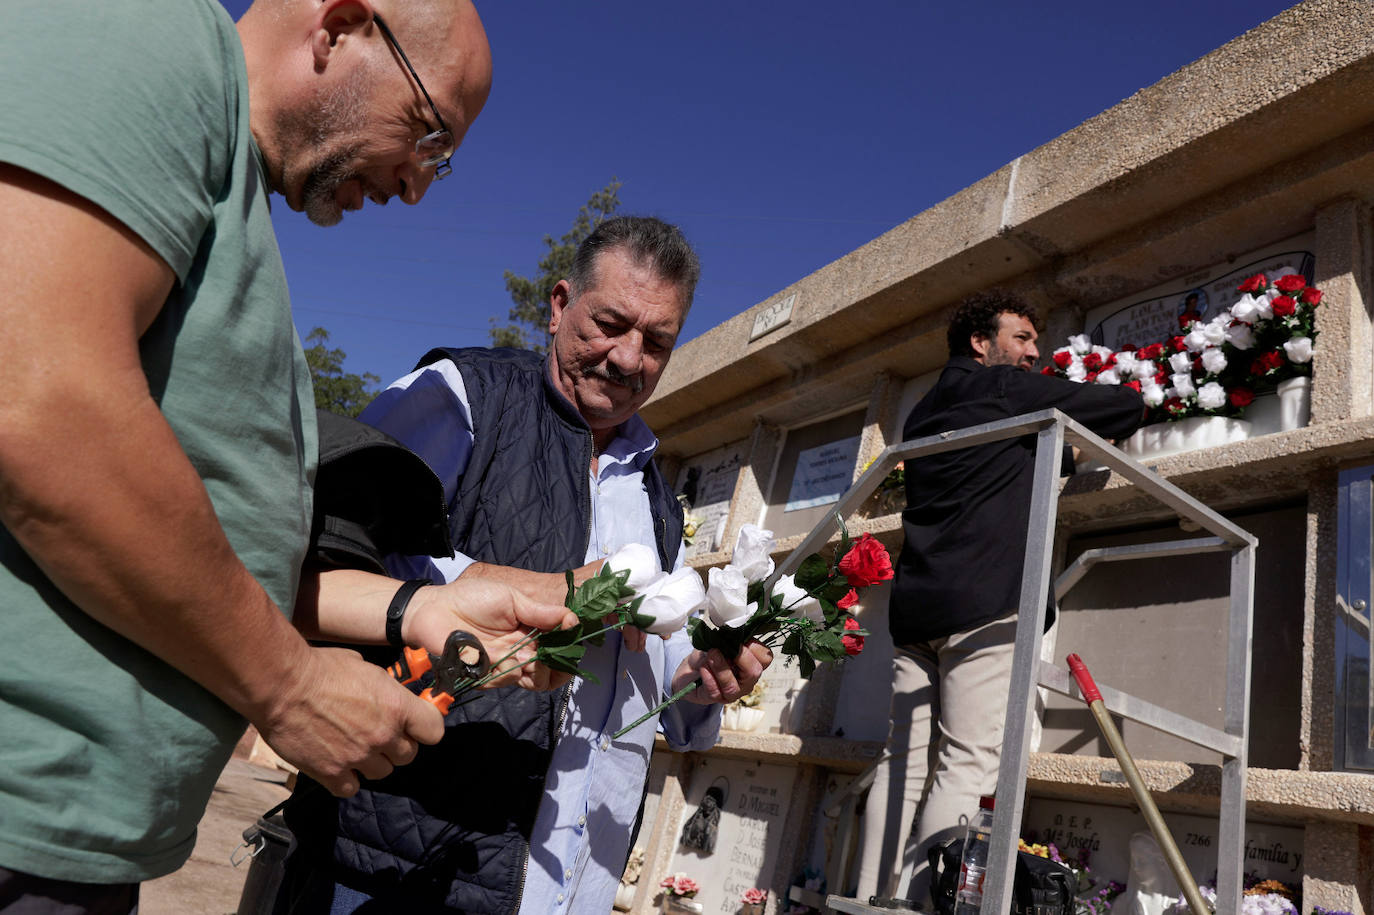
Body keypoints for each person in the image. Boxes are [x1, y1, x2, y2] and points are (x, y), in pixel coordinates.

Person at [0, 2, 570, 910]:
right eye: (429, 135)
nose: (418, 186)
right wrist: (287, 683)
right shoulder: (149, 33)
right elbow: (34, 400)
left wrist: (425, 609)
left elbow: (217, 559)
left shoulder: (236, 213)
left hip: (74, 851)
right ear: (341, 23)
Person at [277, 216, 774, 914]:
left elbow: (651, 681)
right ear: (558, 304)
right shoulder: (462, 397)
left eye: (656, 341)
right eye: (610, 323)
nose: (629, 358)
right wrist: (533, 588)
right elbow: (326, 553)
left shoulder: (659, 499)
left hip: (569, 884)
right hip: (412, 862)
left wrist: (699, 680)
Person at [855, 292, 1145, 904]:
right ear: (981, 345)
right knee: (967, 761)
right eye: (1021, 339)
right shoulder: (1006, 390)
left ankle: (874, 897)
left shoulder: (926, 410)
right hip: (984, 604)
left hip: (916, 610)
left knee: (901, 762)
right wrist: (1134, 390)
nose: (1033, 352)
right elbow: (1119, 408)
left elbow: (991, 469)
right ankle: (926, 903)